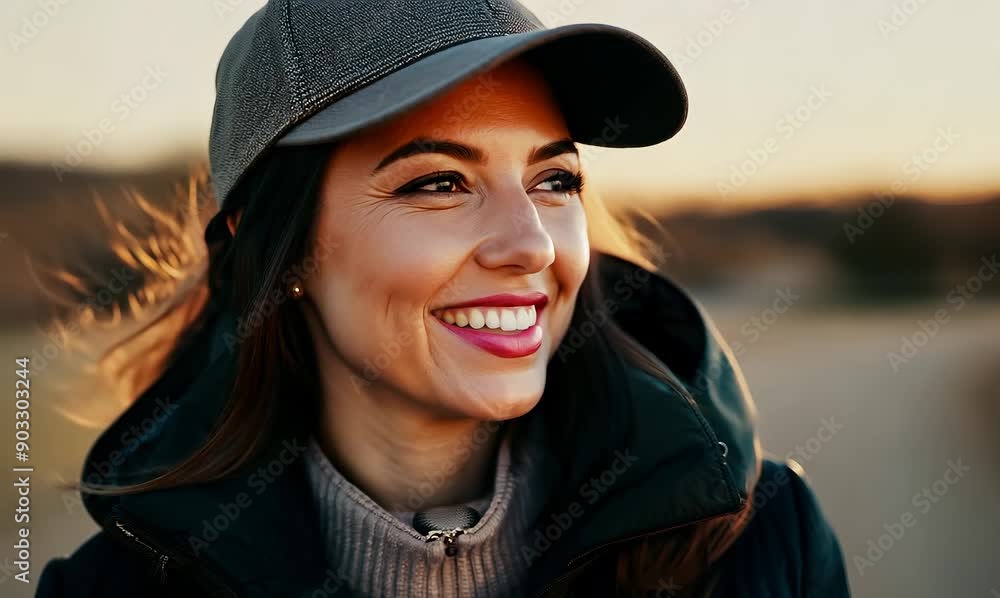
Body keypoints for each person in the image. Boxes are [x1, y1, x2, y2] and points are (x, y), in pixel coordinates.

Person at [37, 0, 851, 596]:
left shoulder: (762, 547)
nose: (530, 242)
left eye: (554, 179)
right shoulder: (110, 592)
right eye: (438, 183)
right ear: (274, 250)